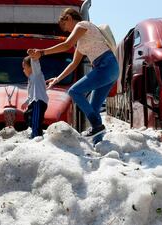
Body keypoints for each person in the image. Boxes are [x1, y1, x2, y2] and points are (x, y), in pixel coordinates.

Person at [27, 8, 119, 138]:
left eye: (66, 27)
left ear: (69, 18)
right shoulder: (81, 42)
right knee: (93, 107)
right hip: (109, 68)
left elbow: (66, 45)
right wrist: (57, 79)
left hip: (105, 66)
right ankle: (98, 142)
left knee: (74, 91)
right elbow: (73, 64)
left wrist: (42, 52)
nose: (67, 31)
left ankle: (97, 126)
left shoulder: (83, 25)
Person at [21, 56, 49, 138]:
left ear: (31, 67)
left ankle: (36, 135)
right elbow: (30, 94)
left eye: (24, 66)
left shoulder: (36, 74)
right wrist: (26, 103)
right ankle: (36, 132)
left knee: (36, 120)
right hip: (33, 102)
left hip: (38, 101)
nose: (23, 69)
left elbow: (35, 63)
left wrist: (33, 56)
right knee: (27, 116)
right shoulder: (30, 79)